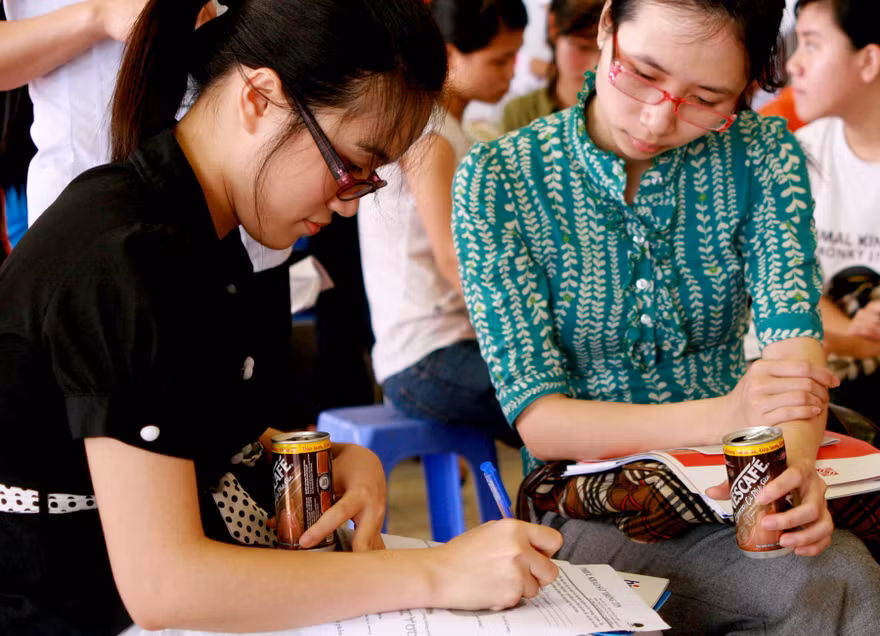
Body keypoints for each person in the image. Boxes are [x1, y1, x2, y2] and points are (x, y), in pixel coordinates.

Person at [0, 1, 563, 634]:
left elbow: (201, 432)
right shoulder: (126, 254)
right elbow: (165, 584)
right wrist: (440, 573)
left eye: (369, 179)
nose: (349, 206)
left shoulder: (204, 231)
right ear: (259, 99)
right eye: (351, 164)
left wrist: (327, 458)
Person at [452, 0, 880, 632]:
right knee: (826, 577)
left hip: (740, 474)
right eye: (642, 73)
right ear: (605, 27)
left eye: (707, 98)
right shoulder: (501, 180)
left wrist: (791, 481)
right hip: (591, 504)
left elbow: (795, 348)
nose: (657, 120)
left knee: (824, 559)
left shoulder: (761, 153)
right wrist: (730, 415)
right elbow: (541, 419)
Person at [358, 0, 526, 447]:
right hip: (426, 358)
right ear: (449, 56)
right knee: (564, 400)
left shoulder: (449, 129)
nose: (511, 73)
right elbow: (454, 260)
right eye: (499, 60)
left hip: (450, 349)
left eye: (515, 57)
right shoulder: (428, 134)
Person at [785, 0, 880, 429]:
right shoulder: (802, 154)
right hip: (835, 378)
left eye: (811, 45)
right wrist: (855, 334)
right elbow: (791, 287)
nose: (793, 65)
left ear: (869, 60)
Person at [501, 0, 603, 133]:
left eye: (605, 51)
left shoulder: (619, 117)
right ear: (552, 27)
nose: (594, 66)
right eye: (583, 48)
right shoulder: (521, 114)